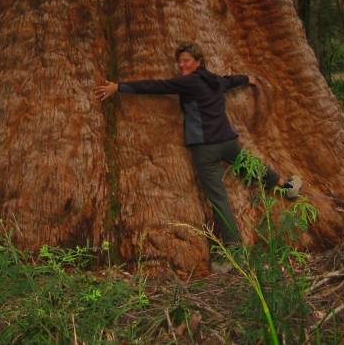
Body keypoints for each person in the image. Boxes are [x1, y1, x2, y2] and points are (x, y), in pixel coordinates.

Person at [95, 42, 302, 248]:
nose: (181, 65)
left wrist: (119, 87)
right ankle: (286, 186)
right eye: (179, 61)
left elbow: (156, 86)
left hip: (205, 148)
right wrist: (248, 78)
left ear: (198, 62)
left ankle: (234, 248)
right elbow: (230, 81)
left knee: (219, 198)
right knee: (251, 166)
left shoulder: (189, 82)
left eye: (186, 61)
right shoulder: (214, 81)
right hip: (227, 141)